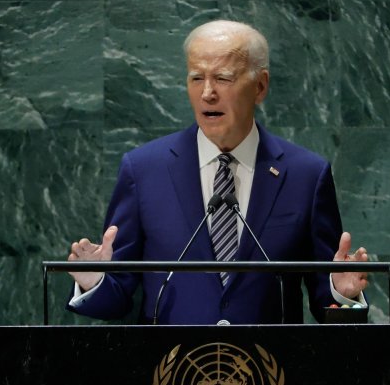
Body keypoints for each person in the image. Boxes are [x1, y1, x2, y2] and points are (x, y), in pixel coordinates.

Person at [66, 19, 368, 324]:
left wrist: (342, 294)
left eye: (223, 78)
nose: (207, 93)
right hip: (172, 368)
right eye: (196, 78)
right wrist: (96, 282)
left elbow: (327, 304)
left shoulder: (306, 175)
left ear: (260, 86)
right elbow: (118, 300)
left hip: (268, 368)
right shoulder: (144, 170)